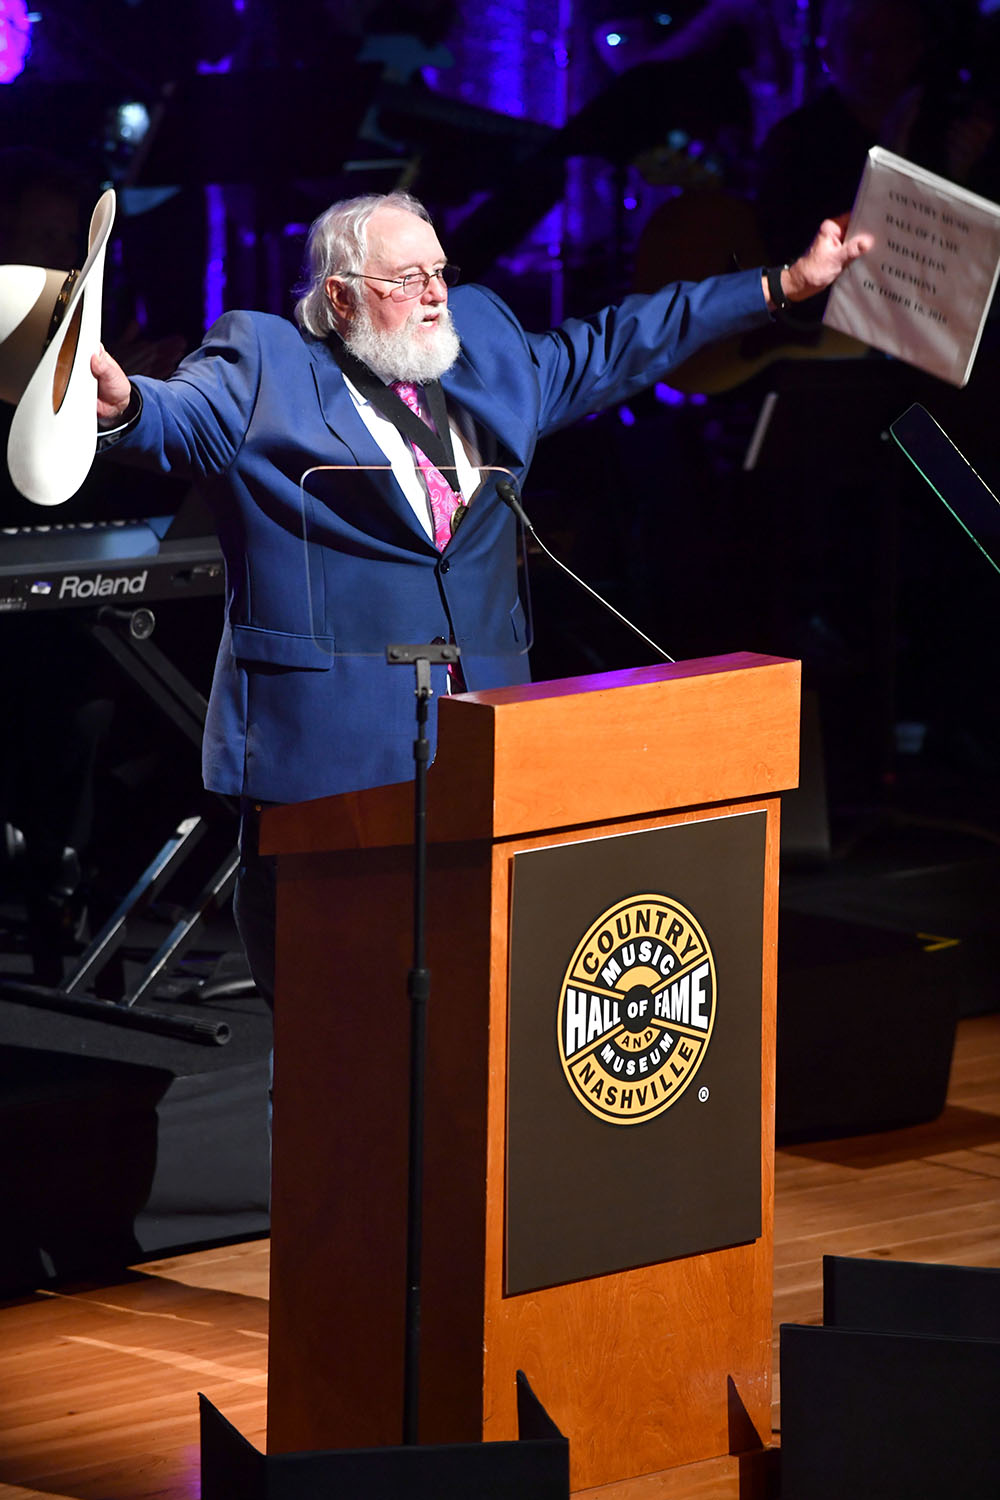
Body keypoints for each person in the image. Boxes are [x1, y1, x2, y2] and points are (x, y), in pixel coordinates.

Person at [91, 189, 870, 1002]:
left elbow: (622, 340)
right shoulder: (266, 366)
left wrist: (782, 286)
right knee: (340, 1046)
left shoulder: (486, 352)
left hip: (491, 762)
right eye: (407, 278)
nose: (435, 293)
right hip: (330, 766)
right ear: (342, 295)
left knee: (478, 1029)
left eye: (439, 272)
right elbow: (178, 416)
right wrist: (126, 406)